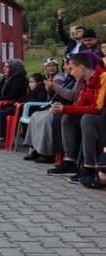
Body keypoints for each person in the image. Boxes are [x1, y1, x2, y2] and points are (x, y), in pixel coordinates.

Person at [47, 53, 106, 184]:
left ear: (81, 67)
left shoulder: (103, 77)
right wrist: (62, 109)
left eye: (71, 68)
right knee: (68, 117)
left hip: (102, 118)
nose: (71, 73)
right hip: (95, 117)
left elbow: (97, 108)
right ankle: (70, 161)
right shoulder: (85, 82)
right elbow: (80, 105)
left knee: (87, 119)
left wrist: (65, 108)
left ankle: (89, 167)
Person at [23, 55, 79, 164]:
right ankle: (37, 149)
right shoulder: (68, 78)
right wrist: (50, 90)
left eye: (67, 65)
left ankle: (47, 153)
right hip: (57, 105)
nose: (65, 67)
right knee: (35, 116)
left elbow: (72, 96)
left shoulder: (69, 78)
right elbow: (55, 95)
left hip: (67, 106)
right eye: (65, 64)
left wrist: (54, 87)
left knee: (46, 119)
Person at [0, 73, 48, 149]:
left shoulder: (41, 90)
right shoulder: (32, 91)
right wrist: (18, 101)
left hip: (27, 111)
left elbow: (40, 99)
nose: (29, 84)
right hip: (20, 108)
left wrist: (25, 103)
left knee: (2, 114)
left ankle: (2, 137)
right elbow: (25, 97)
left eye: (31, 82)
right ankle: (1, 134)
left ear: (39, 83)